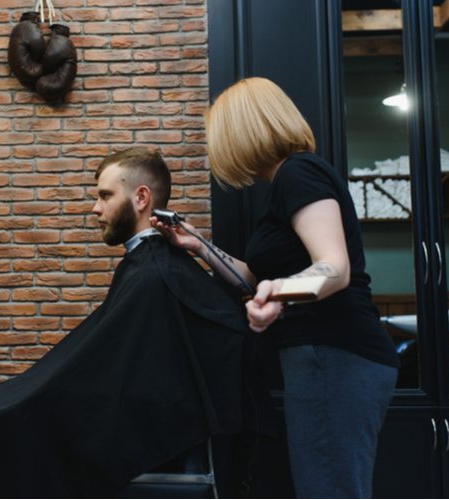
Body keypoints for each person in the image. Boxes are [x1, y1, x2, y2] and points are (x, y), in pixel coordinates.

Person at [0, 147, 271, 498]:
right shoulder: (151, 268)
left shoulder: (156, 274)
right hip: (80, 404)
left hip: (92, 418)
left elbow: (219, 333)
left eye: (105, 196)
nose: (95, 208)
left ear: (141, 199)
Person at [153, 77, 399, 498]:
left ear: (243, 130)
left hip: (335, 354)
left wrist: (274, 293)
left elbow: (333, 268)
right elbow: (253, 275)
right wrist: (198, 245)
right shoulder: (288, 181)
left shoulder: (299, 174)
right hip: (324, 358)